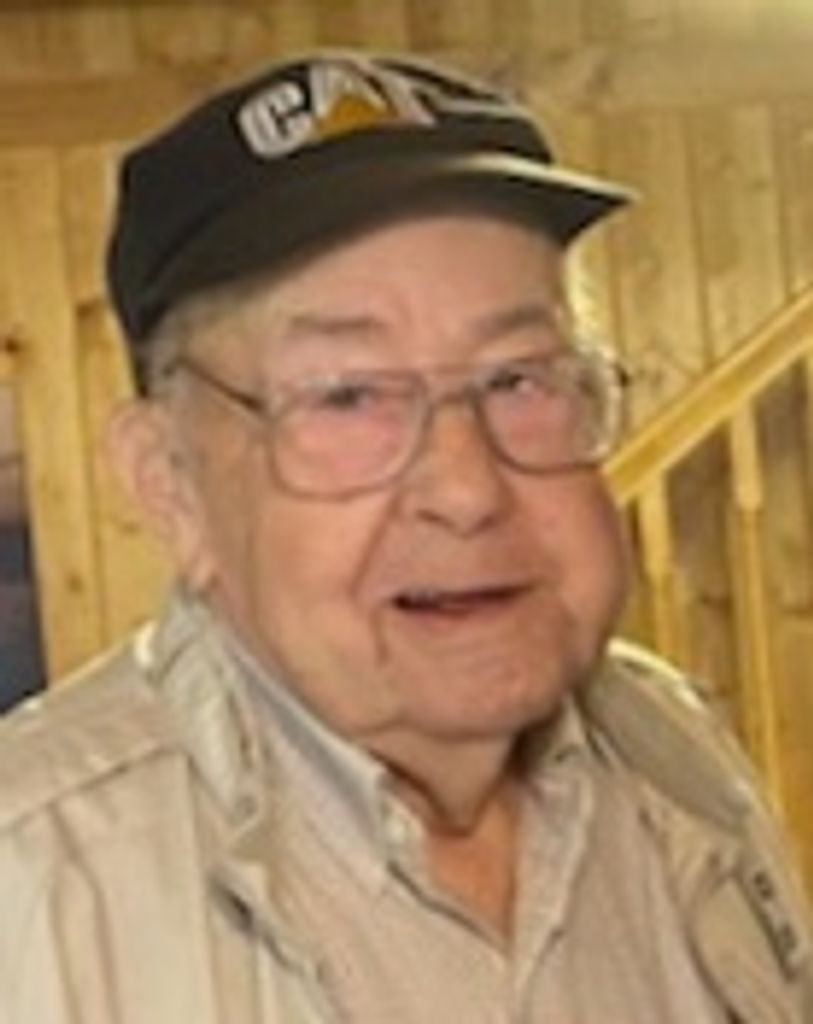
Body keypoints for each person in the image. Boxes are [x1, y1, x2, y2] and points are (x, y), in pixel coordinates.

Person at [0, 50, 810, 1024]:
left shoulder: (670, 747)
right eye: (347, 397)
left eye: (518, 378)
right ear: (169, 481)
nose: (466, 490)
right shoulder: (28, 882)